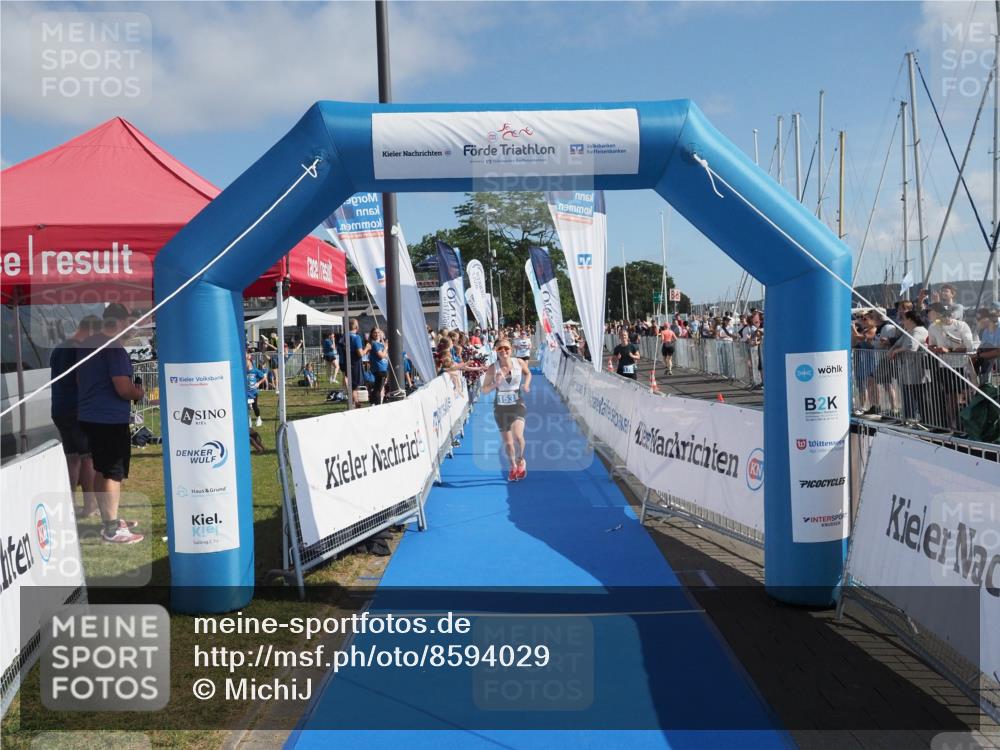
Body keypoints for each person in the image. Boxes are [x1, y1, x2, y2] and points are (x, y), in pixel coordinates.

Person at [77, 303, 144, 545]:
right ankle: (112, 528)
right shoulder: (114, 349)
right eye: (127, 323)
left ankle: (110, 519)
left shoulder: (88, 344)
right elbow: (123, 388)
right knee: (113, 472)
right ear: (116, 322)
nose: (130, 328)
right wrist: (138, 393)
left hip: (90, 415)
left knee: (102, 468)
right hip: (108, 419)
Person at [50, 315, 100, 517]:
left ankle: (70, 505)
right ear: (90, 330)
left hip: (59, 408)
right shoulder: (79, 349)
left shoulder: (58, 349)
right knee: (88, 458)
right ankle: (89, 506)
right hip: (78, 409)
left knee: (72, 459)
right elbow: (81, 379)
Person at [481, 338, 532, 481]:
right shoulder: (493, 368)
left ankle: (521, 460)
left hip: (517, 404)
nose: (503, 351)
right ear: (496, 351)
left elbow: (528, 373)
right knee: (508, 442)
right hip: (500, 408)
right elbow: (484, 390)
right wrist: (495, 384)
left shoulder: (519, 362)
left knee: (517, 436)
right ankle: (513, 466)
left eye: (506, 348)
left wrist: (526, 385)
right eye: (500, 349)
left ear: (511, 349)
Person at [245, 353, 267, 427]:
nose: (246, 365)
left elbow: (264, 377)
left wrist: (258, 383)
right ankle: (249, 421)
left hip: (254, 392)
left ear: (250, 363)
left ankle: (258, 418)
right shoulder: (243, 371)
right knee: (246, 407)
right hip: (246, 393)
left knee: (255, 407)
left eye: (247, 362)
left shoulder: (255, 371)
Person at [368, 327, 389, 404]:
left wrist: (385, 346)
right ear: (372, 334)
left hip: (383, 368)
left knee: (379, 388)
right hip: (379, 369)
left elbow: (385, 356)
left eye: (378, 332)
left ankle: (373, 402)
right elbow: (381, 355)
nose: (377, 334)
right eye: (375, 333)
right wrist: (386, 347)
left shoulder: (380, 344)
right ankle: (376, 404)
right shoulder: (375, 344)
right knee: (378, 388)